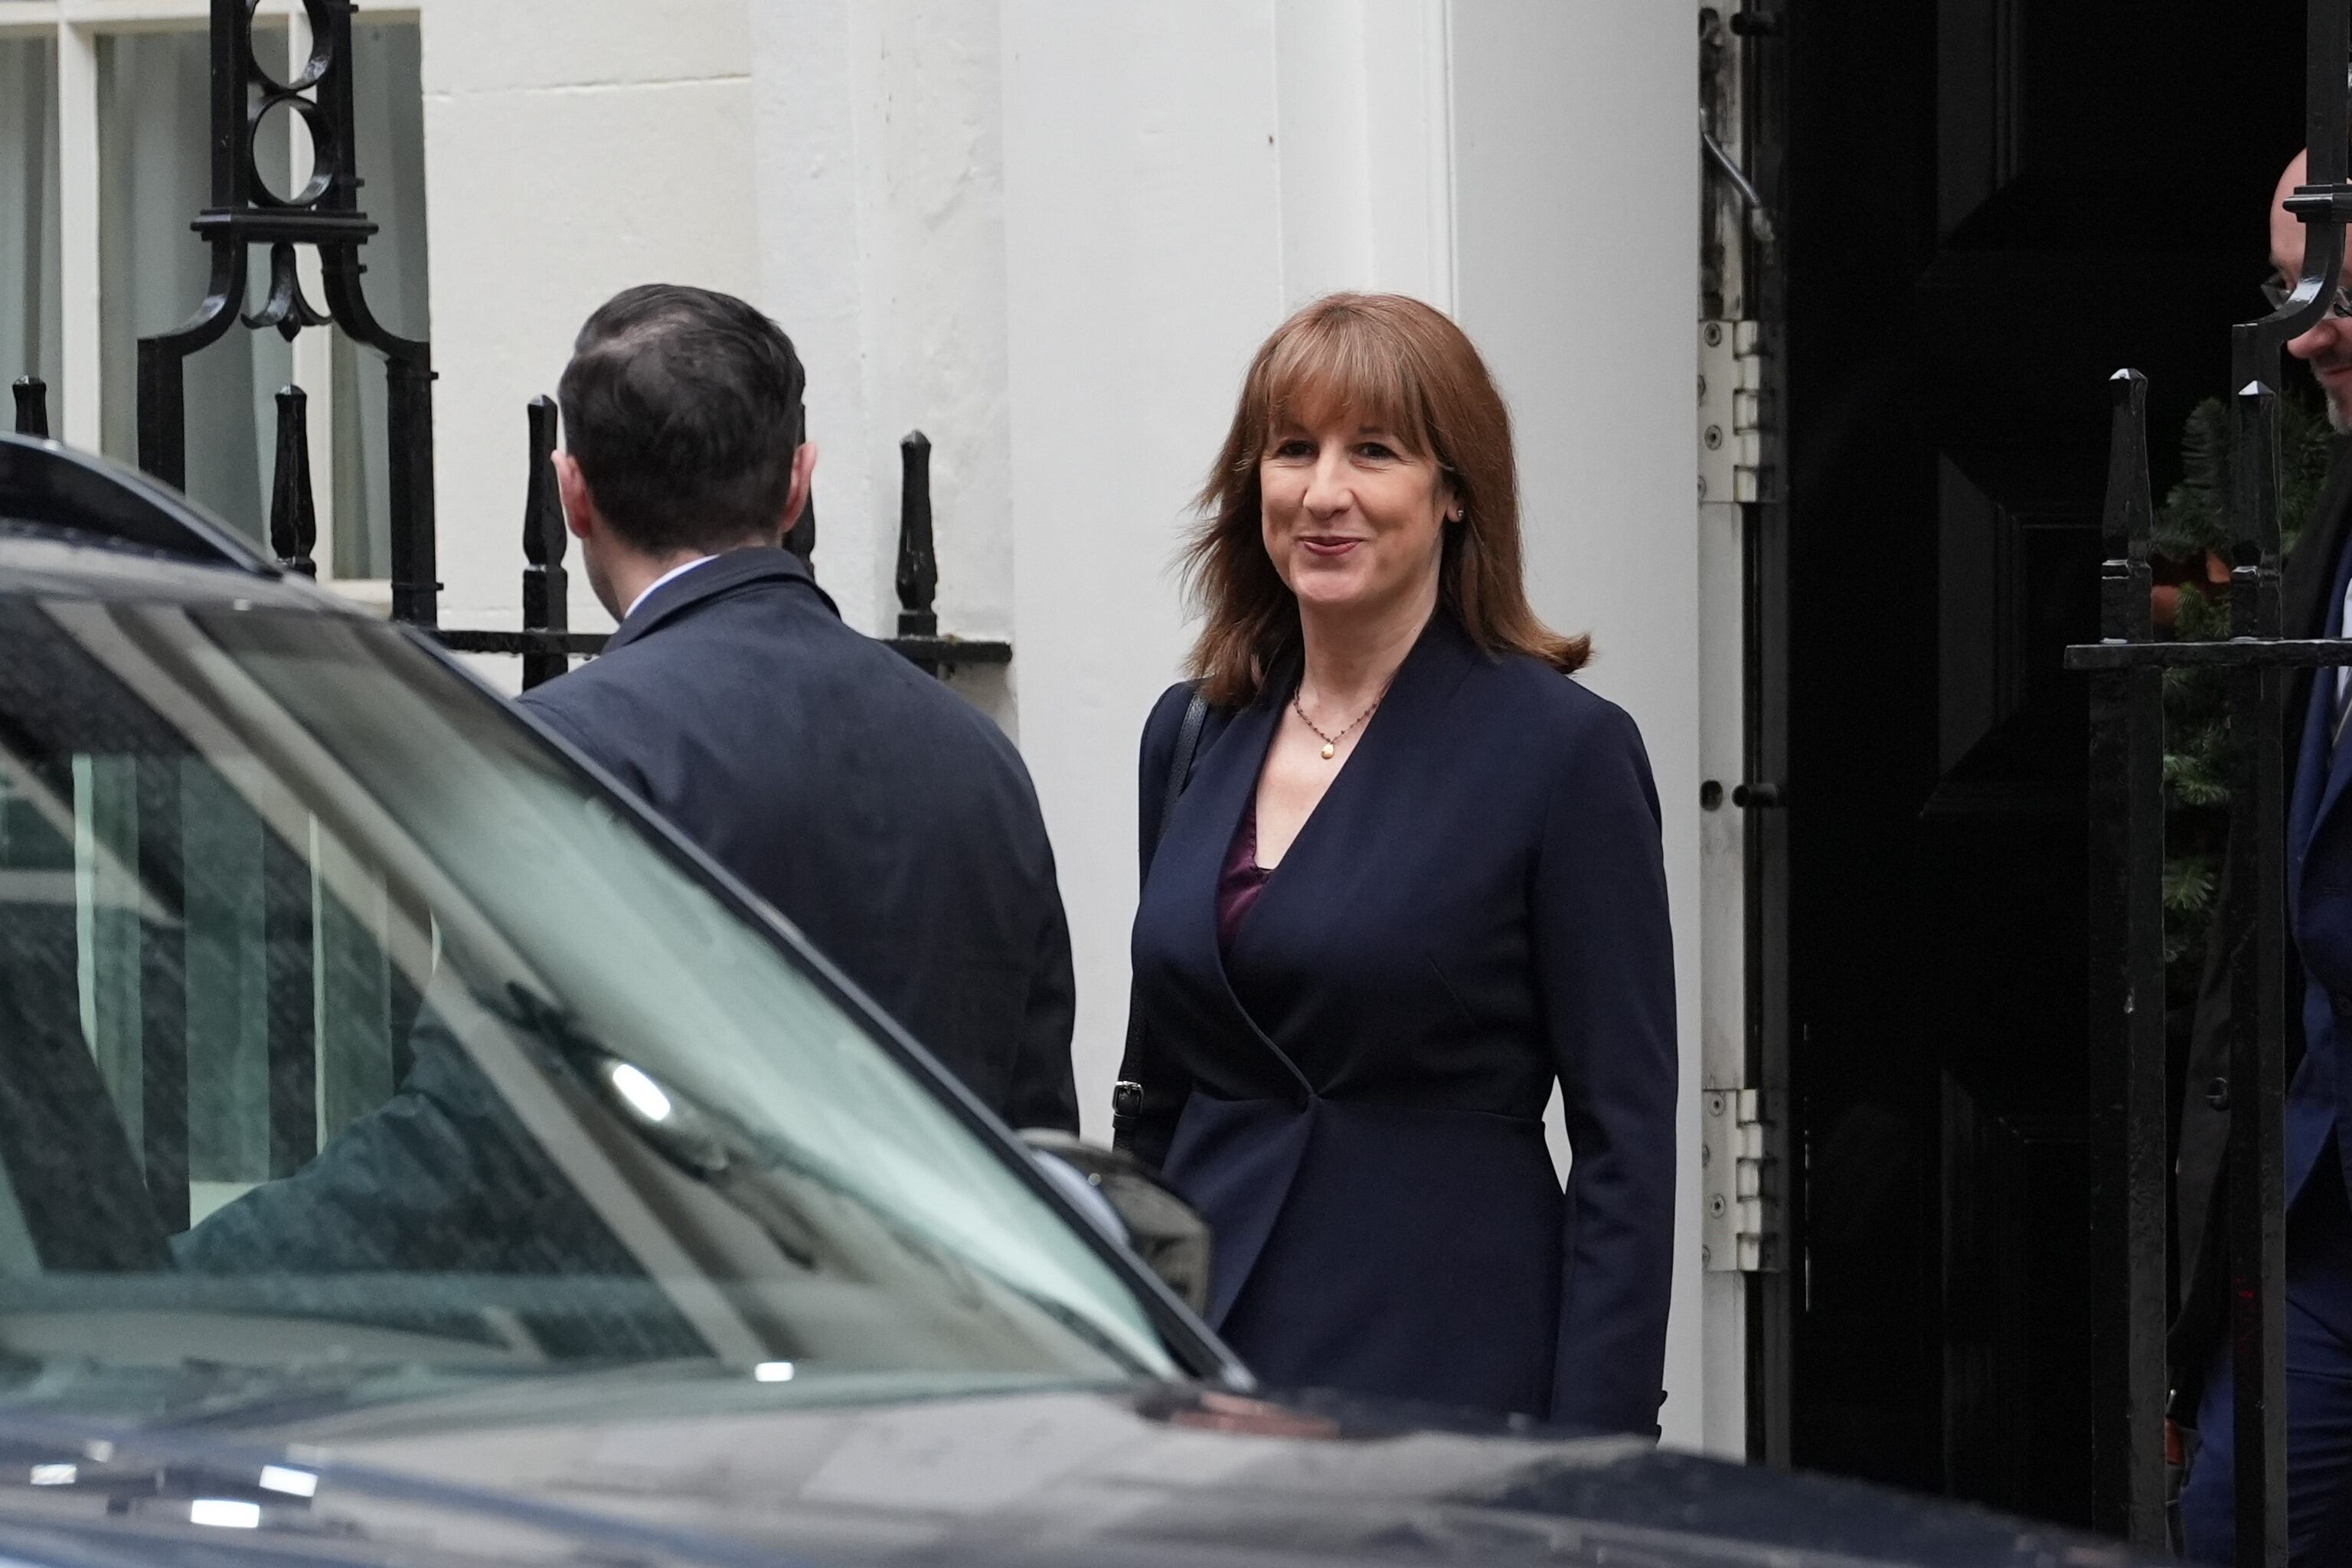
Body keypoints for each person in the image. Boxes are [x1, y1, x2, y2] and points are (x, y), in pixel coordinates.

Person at [1116, 292, 1677, 1432]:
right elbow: (1154, 1098)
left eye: (1374, 451)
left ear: (1454, 490)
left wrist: (1595, 1458)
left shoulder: (1563, 753)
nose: (1325, 494)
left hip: (1446, 1370)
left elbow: (1628, 1146)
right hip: (1210, 1379)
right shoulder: (1189, 735)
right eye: (1292, 451)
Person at [519, 284, 1079, 1132]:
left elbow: (515, 1116)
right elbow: (1040, 1135)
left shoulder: (571, 748)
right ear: (797, 484)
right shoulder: (977, 752)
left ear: (573, 495)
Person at [2175, 152, 2352, 1562]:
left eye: (2344, 280)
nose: (2310, 331)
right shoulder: (2324, 543)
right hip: (2321, 1208)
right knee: (2232, 1527)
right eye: (2290, 285)